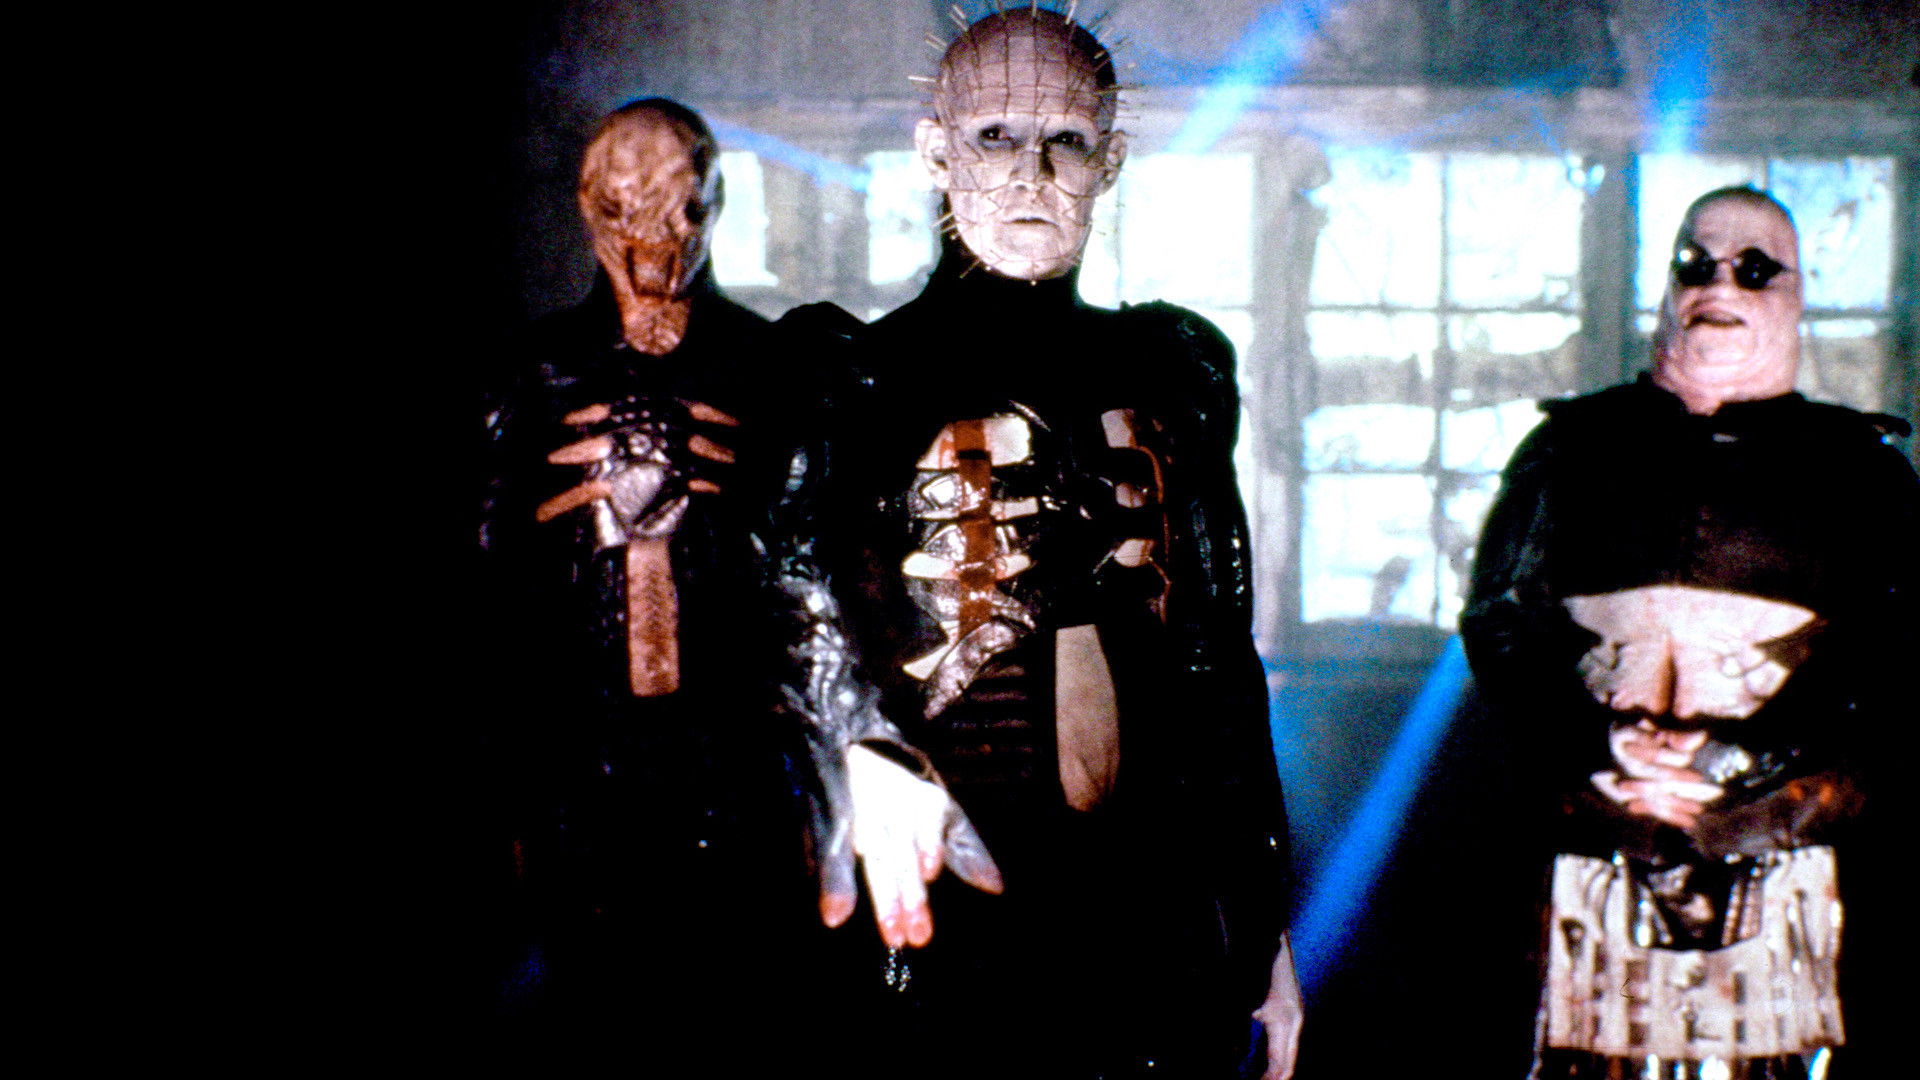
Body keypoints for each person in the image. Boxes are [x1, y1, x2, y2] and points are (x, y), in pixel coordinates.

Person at [772, 10, 1302, 1078]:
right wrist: (858, 743)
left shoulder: (1175, 370)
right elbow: (787, 586)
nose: (1032, 173)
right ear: (936, 154)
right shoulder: (848, 378)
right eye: (996, 137)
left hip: (1152, 918)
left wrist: (1261, 919)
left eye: (1066, 140)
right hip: (940, 906)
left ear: (1111, 160)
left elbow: (1217, 660)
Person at [1462, 186, 1916, 1078]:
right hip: (1586, 863)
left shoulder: (1862, 476)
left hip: (1787, 871)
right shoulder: (1565, 453)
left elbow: (1895, 654)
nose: (1718, 286)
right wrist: (1597, 743)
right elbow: (1500, 622)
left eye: (1754, 269)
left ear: (1796, 294)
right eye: (1694, 264)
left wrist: (1736, 758)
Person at [478, 98, 823, 1053]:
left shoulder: (767, 366)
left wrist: (817, 780)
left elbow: (813, 576)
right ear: (589, 209)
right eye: (625, 207)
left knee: (737, 1012)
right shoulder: (533, 374)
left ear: (715, 205)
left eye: (682, 207)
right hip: (577, 759)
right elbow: (489, 588)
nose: (657, 238)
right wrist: (509, 783)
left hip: (739, 760)